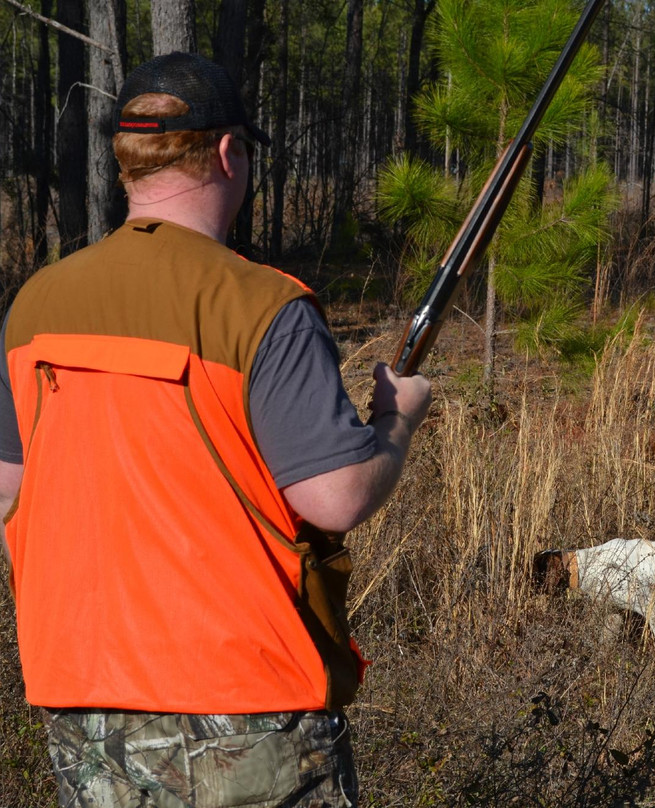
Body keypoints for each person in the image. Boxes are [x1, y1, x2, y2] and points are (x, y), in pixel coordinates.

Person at [0, 51, 431, 807]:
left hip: (83, 705)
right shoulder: (262, 305)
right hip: (246, 704)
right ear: (229, 152)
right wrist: (397, 418)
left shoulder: (35, 304)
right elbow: (335, 497)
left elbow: (8, 492)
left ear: (126, 158)